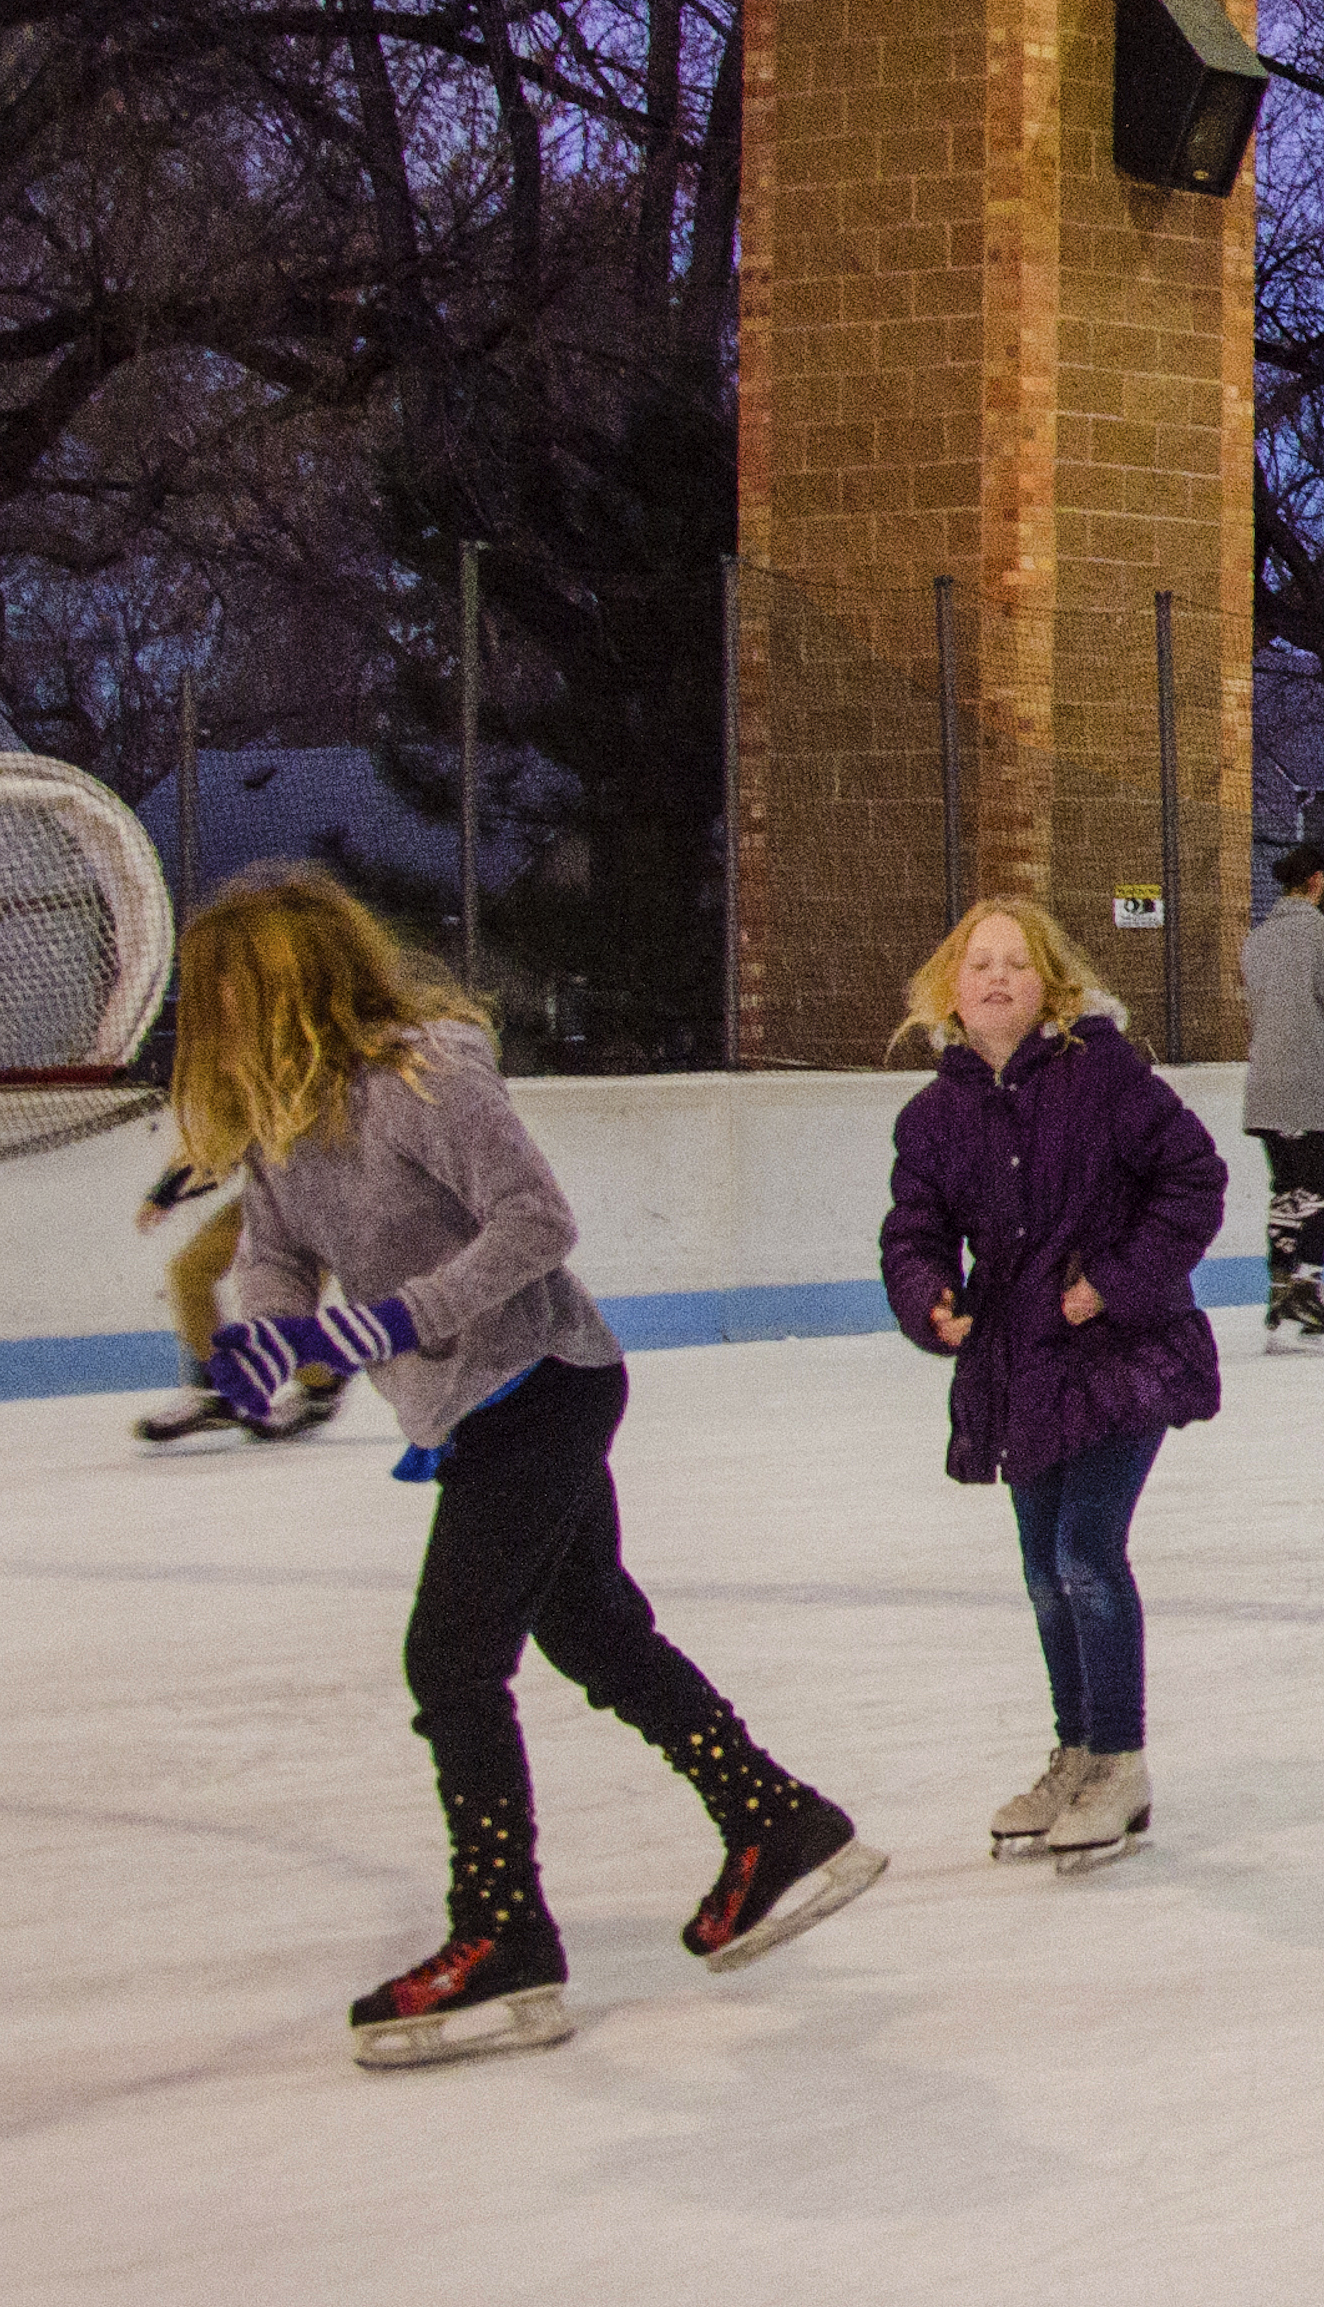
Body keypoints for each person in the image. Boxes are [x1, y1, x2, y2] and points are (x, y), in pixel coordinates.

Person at [175, 867, 871, 2064]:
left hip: (544, 1381)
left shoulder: (423, 1077)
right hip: (473, 1409)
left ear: (292, 988)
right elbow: (280, 1253)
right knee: (594, 1632)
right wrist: (267, 1335)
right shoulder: (282, 1118)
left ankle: (502, 1932)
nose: (211, 1023)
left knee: (450, 1659)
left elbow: (537, 1220)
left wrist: (390, 1319)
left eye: (226, 996)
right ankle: (776, 1818)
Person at [878, 896, 1226, 1877]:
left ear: (1052, 985)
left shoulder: (1104, 1076)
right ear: (951, 987)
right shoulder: (934, 1117)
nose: (997, 977)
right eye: (979, 963)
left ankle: (1119, 1762)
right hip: (1020, 1361)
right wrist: (929, 1295)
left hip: (1122, 1353)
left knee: (1084, 1551)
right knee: (1043, 1569)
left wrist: (1113, 1281)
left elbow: (1194, 1180)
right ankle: (1075, 1752)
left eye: (1017, 963)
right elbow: (913, 1230)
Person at [1239, 838, 1324, 1343]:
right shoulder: (1320, 934)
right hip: (1310, 1085)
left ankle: (1281, 1284)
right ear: (1317, 881)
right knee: (1322, 1189)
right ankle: (1308, 1286)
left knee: (1287, 1188)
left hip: (1265, 1085)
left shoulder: (1258, 938)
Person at [130, 1154, 347, 1444]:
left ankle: (321, 1388)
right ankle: (215, 1391)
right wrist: (164, 1193)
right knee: (189, 1271)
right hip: (266, 1198)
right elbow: (217, 1146)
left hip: (325, 1209)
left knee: (276, 1311)